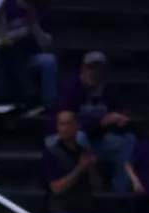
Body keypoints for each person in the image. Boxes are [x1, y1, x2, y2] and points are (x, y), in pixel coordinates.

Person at [43, 110, 131, 213]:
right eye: (60, 124)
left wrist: (91, 168)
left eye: (67, 123)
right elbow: (56, 188)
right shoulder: (52, 154)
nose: (63, 128)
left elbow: (97, 186)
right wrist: (80, 168)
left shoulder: (84, 152)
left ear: (77, 126)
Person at [54, 52, 137, 194]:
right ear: (83, 69)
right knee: (80, 136)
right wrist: (100, 121)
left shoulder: (107, 90)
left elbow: (116, 112)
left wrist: (121, 120)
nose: (94, 73)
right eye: (91, 68)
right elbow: (65, 122)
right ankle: (84, 187)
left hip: (96, 139)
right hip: (66, 140)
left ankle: (120, 191)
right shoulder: (69, 89)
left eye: (99, 69)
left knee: (128, 140)